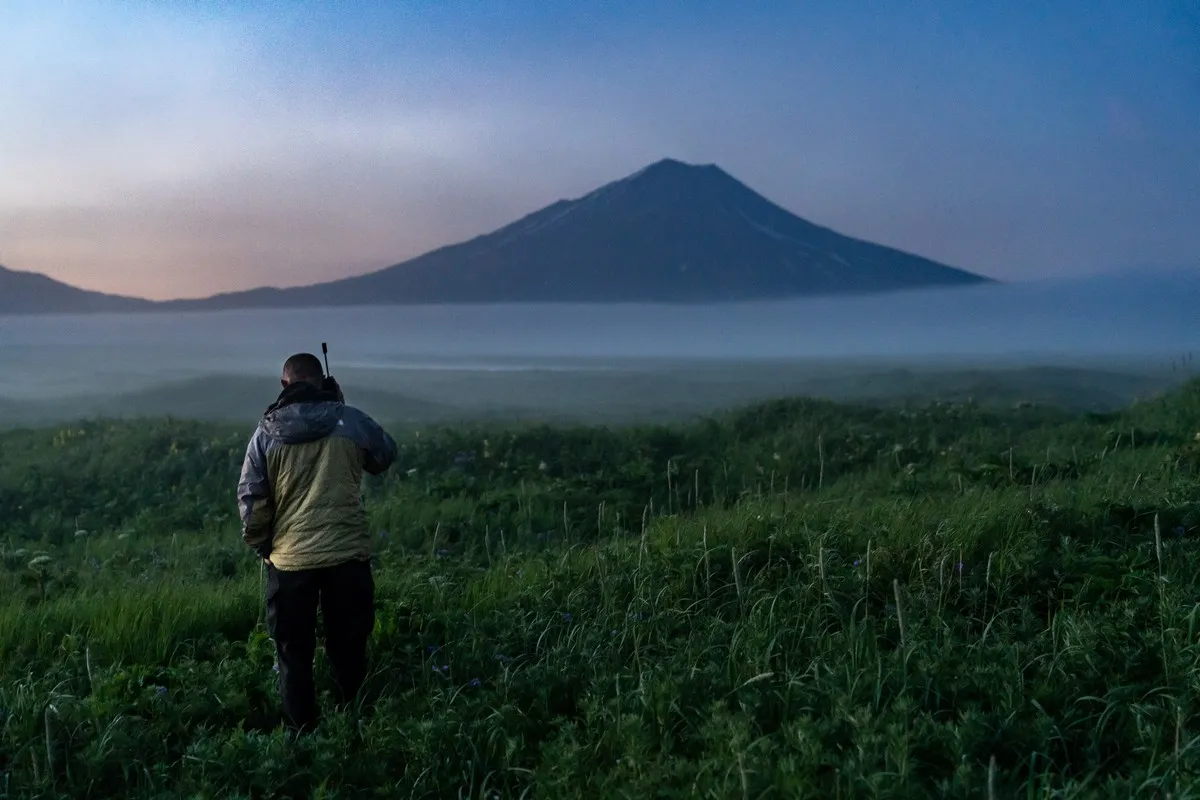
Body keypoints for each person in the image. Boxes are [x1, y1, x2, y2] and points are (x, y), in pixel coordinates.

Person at [237, 352, 398, 733]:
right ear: (323, 379)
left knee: (293, 653)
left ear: (284, 385)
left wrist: (264, 546)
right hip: (347, 555)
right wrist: (340, 404)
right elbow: (383, 456)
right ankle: (353, 724)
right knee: (349, 645)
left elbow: (252, 501)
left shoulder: (264, 434)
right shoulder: (351, 421)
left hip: (290, 562)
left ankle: (300, 733)